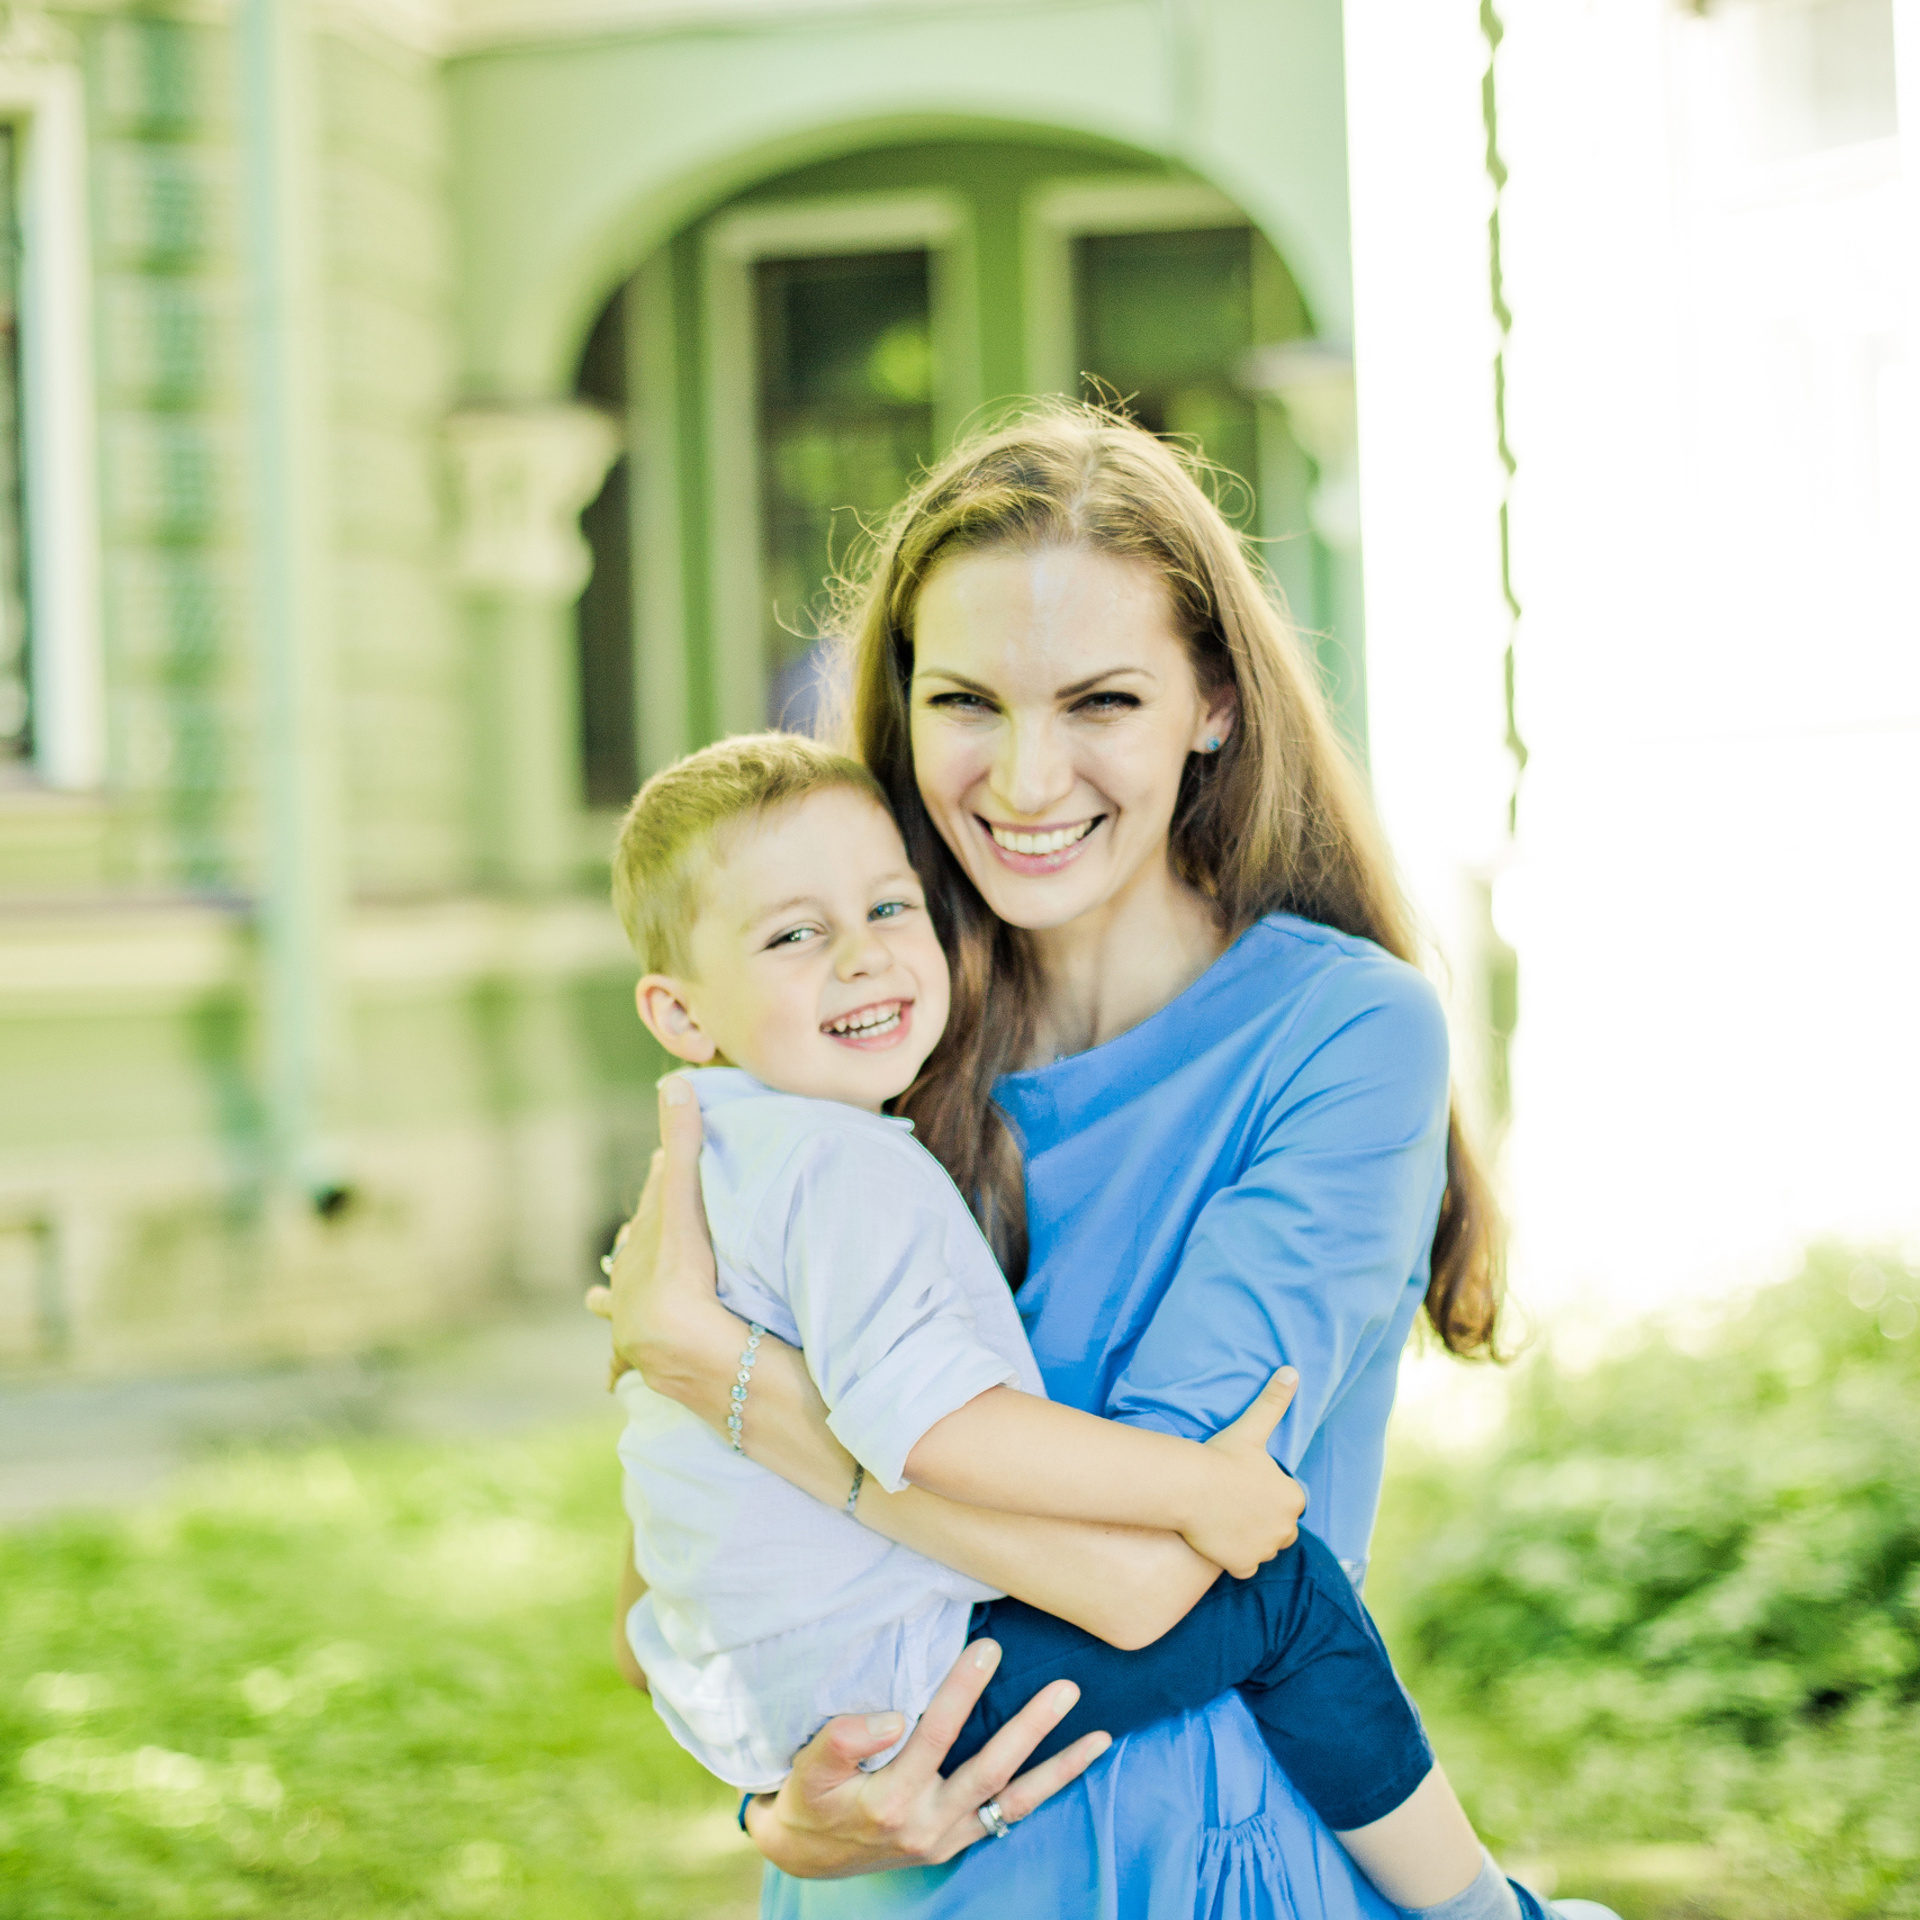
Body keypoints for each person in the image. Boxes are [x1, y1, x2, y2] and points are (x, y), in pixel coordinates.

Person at [591, 408, 1620, 1920]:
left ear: (1210, 703)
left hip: (1186, 1876)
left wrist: (738, 1379)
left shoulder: (1337, 1037)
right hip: (892, 1880)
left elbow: (1163, 1580)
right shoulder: (852, 1038)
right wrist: (778, 1810)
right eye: (966, 702)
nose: (1022, 777)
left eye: (1100, 702)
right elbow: (678, 1584)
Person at [604, 730, 1517, 1917]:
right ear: (678, 1012)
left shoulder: (713, 1159)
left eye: (890, 908)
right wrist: (1191, 1488)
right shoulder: (845, 1167)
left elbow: (643, 1599)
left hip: (780, 1698)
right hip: (906, 1693)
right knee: (1278, 1593)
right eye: (794, 935)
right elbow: (932, 1426)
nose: (864, 959)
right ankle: (1481, 1909)